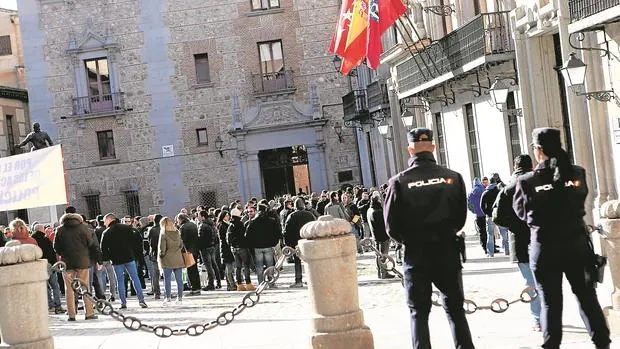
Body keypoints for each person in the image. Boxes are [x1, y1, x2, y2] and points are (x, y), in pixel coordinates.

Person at [513, 128, 610, 349]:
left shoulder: (527, 180)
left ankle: (551, 345)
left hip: (545, 246)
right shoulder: (577, 173)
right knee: (587, 298)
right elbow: (581, 198)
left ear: (538, 151)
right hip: (576, 243)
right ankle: (602, 343)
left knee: (550, 304)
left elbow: (521, 212)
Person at [384, 128, 475, 349]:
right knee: (455, 311)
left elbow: (390, 226)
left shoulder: (399, 182)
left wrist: (410, 238)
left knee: (418, 313)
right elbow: (461, 217)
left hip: (417, 254)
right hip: (446, 250)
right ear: (433, 147)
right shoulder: (453, 177)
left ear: (410, 149)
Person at [492, 154, 541, 331]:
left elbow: (496, 216)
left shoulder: (508, 188)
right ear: (532, 165)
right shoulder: (539, 182)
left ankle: (537, 318)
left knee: (531, 281)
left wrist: (515, 225)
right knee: (544, 280)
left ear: (515, 166)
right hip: (541, 238)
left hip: (519, 240)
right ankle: (546, 316)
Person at [53, 213, 99, 321]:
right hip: (82, 261)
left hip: (67, 263)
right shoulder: (83, 228)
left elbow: (56, 247)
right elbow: (90, 243)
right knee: (85, 287)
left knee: (69, 289)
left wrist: (64, 253)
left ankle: (71, 315)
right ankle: (89, 313)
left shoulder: (60, 230)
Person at [100, 213, 148, 309]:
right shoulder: (127, 228)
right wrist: (134, 253)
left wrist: (108, 258)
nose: (104, 223)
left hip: (116, 260)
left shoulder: (106, 232)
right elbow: (136, 241)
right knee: (135, 278)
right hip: (129, 257)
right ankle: (141, 300)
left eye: (105, 221)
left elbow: (103, 248)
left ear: (109, 220)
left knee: (120, 281)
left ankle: (123, 302)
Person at [31, 224, 65, 315]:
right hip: (48, 265)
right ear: (42, 230)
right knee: (55, 286)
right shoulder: (45, 239)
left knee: (46, 287)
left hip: (38, 265)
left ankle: (50, 305)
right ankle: (58, 305)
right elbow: (51, 253)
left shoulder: (32, 239)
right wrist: (54, 265)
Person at [245, 203, 280, 285]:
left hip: (257, 247)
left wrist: (252, 245)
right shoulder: (271, 221)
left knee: (259, 267)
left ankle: (261, 283)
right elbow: (277, 233)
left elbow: (247, 236)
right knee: (270, 266)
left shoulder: (253, 222)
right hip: (268, 246)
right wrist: (273, 243)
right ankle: (271, 283)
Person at [284, 198, 315, 288]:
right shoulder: (310, 214)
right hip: (308, 241)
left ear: (295, 206)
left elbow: (286, 231)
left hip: (296, 242)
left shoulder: (292, 215)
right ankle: (311, 279)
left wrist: (288, 243)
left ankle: (298, 280)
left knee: (297, 262)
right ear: (303, 205)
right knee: (310, 261)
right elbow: (314, 227)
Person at [366, 191, 394, 279]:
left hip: (375, 236)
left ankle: (380, 272)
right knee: (383, 255)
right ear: (377, 200)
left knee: (378, 255)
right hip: (382, 236)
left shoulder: (369, 210)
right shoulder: (377, 212)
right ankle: (384, 273)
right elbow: (384, 224)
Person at [158, 217, 185, 306]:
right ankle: (180, 298)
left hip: (167, 259)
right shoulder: (177, 232)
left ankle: (168, 298)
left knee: (167, 280)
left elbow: (162, 249)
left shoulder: (163, 234)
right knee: (179, 280)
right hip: (178, 258)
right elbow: (181, 245)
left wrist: (160, 256)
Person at [481, 173, 509, 257]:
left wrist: (487, 213)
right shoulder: (499, 191)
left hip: (489, 216)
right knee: (503, 233)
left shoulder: (486, 192)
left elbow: (481, 205)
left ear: (489, 182)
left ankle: (490, 253)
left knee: (490, 234)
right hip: (499, 215)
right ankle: (506, 251)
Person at [227, 207, 255, 291]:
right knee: (246, 265)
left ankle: (239, 284)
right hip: (242, 248)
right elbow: (244, 236)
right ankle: (248, 283)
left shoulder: (230, 225)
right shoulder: (240, 224)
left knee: (237, 267)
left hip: (233, 248)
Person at [177, 213, 201, 296]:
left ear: (180, 220)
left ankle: (194, 288)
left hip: (188, 251)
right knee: (195, 269)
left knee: (190, 270)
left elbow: (182, 240)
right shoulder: (193, 224)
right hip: (195, 249)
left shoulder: (183, 227)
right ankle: (197, 287)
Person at [197, 210, 220, 291]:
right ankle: (218, 282)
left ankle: (211, 284)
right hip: (212, 246)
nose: (197, 217)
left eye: (199, 216)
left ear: (203, 216)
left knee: (208, 266)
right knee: (214, 264)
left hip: (205, 248)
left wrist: (199, 247)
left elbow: (200, 238)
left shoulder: (202, 225)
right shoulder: (211, 224)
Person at [467, 178, 487, 254]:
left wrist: (474, 211)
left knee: (481, 231)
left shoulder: (471, 193)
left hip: (478, 215)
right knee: (488, 231)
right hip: (485, 213)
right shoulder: (484, 190)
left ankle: (484, 247)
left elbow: (469, 205)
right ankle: (491, 247)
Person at [217, 210, 236, 291]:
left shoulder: (227, 224)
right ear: (223, 217)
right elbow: (224, 238)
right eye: (227, 215)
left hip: (228, 247)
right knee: (229, 267)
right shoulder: (222, 225)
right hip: (225, 248)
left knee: (229, 266)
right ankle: (231, 284)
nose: (228, 217)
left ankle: (230, 284)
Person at [147, 214, 163, 299]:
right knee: (166, 273)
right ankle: (168, 291)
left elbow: (150, 243)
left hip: (154, 254)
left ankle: (157, 292)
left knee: (155, 274)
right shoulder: (164, 229)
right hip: (163, 254)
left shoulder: (152, 230)